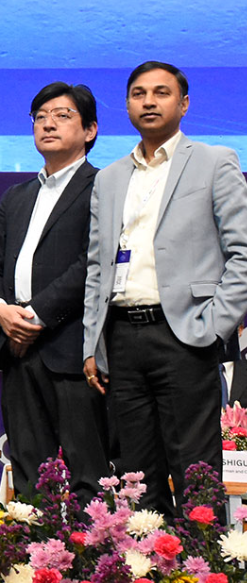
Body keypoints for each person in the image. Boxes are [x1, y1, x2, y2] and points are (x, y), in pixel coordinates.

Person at [83, 61, 247, 516]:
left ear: (184, 103)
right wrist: (92, 341)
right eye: (138, 94)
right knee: (136, 473)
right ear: (128, 105)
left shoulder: (216, 160)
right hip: (122, 335)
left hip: (185, 333)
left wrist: (214, 326)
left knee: (195, 467)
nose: (149, 101)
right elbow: (98, 265)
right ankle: (146, 566)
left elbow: (243, 253)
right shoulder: (110, 177)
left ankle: (204, 567)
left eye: (161, 92)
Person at [0, 81, 109, 502]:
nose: (48, 123)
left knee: (87, 471)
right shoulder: (16, 196)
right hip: (18, 351)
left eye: (62, 115)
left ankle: (92, 563)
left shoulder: (103, 187)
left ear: (89, 130)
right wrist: (1, 311)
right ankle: (36, 563)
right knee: (29, 472)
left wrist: (34, 316)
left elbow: (92, 263)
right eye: (40, 117)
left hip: (71, 350)